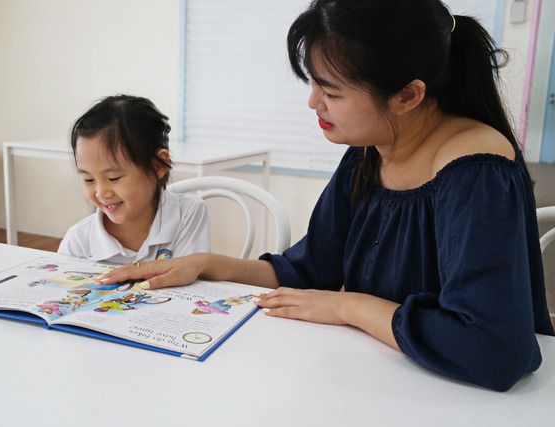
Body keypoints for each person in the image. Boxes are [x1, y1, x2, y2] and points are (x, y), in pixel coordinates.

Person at [97, 1, 554, 391]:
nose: (314, 103)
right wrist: (205, 264)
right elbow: (311, 270)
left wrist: (348, 305)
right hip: (385, 379)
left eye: (330, 90)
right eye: (313, 83)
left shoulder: (474, 169)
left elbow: (492, 349)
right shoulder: (371, 147)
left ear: (408, 94)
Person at [58, 95, 211, 264]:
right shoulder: (78, 241)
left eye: (113, 178)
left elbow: (193, 277)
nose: (102, 193)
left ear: (157, 166)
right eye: (88, 180)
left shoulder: (187, 213)